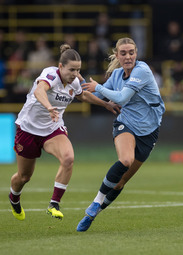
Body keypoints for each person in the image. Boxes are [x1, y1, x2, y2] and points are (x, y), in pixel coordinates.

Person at [9, 44, 119, 221]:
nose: (75, 74)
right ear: (61, 67)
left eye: (78, 70)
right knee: (24, 177)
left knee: (68, 158)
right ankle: (14, 197)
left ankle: (54, 204)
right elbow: (39, 91)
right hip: (28, 130)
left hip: (52, 129)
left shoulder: (74, 81)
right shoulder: (50, 74)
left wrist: (106, 104)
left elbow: (82, 95)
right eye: (72, 70)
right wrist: (49, 107)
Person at [76, 37, 165, 232]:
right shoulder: (116, 75)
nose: (128, 57)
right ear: (117, 55)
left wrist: (97, 87)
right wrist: (78, 86)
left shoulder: (142, 70)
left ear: (136, 53)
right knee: (125, 160)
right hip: (126, 124)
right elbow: (94, 95)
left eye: (131, 52)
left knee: (120, 183)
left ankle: (93, 215)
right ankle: (96, 201)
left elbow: (121, 97)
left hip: (149, 133)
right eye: (123, 53)